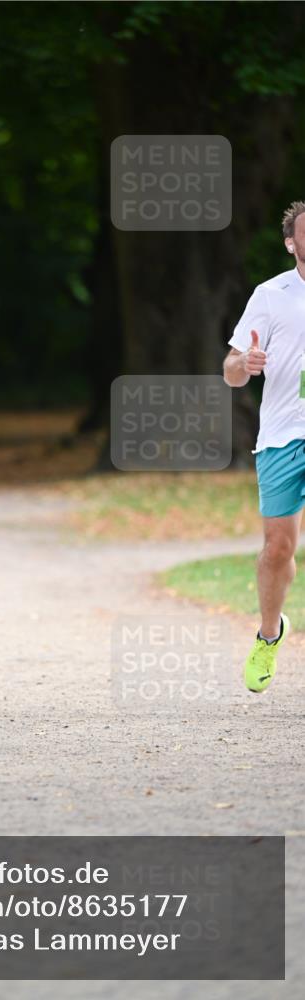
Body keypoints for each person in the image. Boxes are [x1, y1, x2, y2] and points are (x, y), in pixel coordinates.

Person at [223, 200, 305, 692]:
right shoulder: (270, 295)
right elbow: (230, 371)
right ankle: (269, 635)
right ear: (292, 243)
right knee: (278, 548)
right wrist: (246, 363)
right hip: (281, 435)